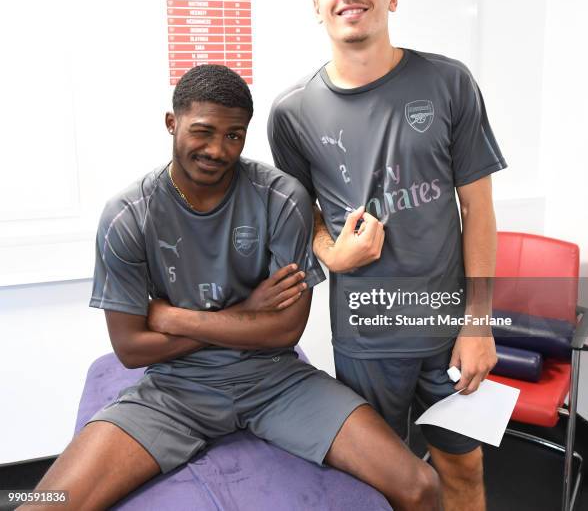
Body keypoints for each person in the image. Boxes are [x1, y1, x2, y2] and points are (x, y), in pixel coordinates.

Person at [24, 64, 440, 511]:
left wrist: (173, 316)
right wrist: (248, 309)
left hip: (275, 381)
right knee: (44, 502)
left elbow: (284, 332)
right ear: (172, 123)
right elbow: (131, 348)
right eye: (202, 131)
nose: (217, 150)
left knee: (421, 485)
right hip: (175, 391)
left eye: (234, 136)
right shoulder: (128, 216)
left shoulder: (282, 197)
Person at [268, 0, 507, 511]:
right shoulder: (292, 111)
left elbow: (478, 210)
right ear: (318, 5)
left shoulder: (449, 82)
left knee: (464, 473)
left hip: (450, 334)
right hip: (366, 340)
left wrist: (478, 325)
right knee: (382, 487)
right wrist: (331, 253)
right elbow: (303, 218)